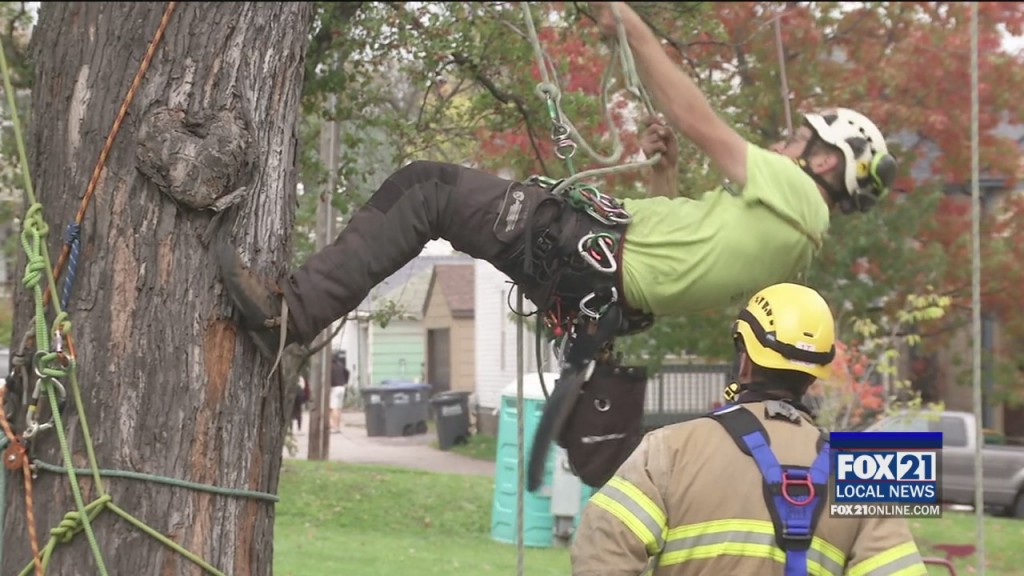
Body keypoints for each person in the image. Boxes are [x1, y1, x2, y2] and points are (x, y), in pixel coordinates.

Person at [215, 1, 895, 489]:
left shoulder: (797, 194)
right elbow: (681, 233)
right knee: (433, 196)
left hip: (587, 253)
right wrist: (662, 167)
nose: (786, 142)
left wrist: (626, 22)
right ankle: (297, 314)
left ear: (828, 164)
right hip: (599, 272)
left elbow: (700, 117)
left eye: (802, 140)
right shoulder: (793, 241)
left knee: (426, 190)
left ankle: (292, 315)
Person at [569, 282, 928, 576]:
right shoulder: (861, 474)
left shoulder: (670, 450)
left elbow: (602, 550)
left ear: (745, 359)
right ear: (816, 372)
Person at [329, 354, 350, 433]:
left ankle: (334, 427)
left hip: (334, 388)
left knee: (333, 408)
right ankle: (337, 426)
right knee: (338, 408)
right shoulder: (340, 365)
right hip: (342, 387)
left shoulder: (330, 367)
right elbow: (347, 372)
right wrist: (345, 381)